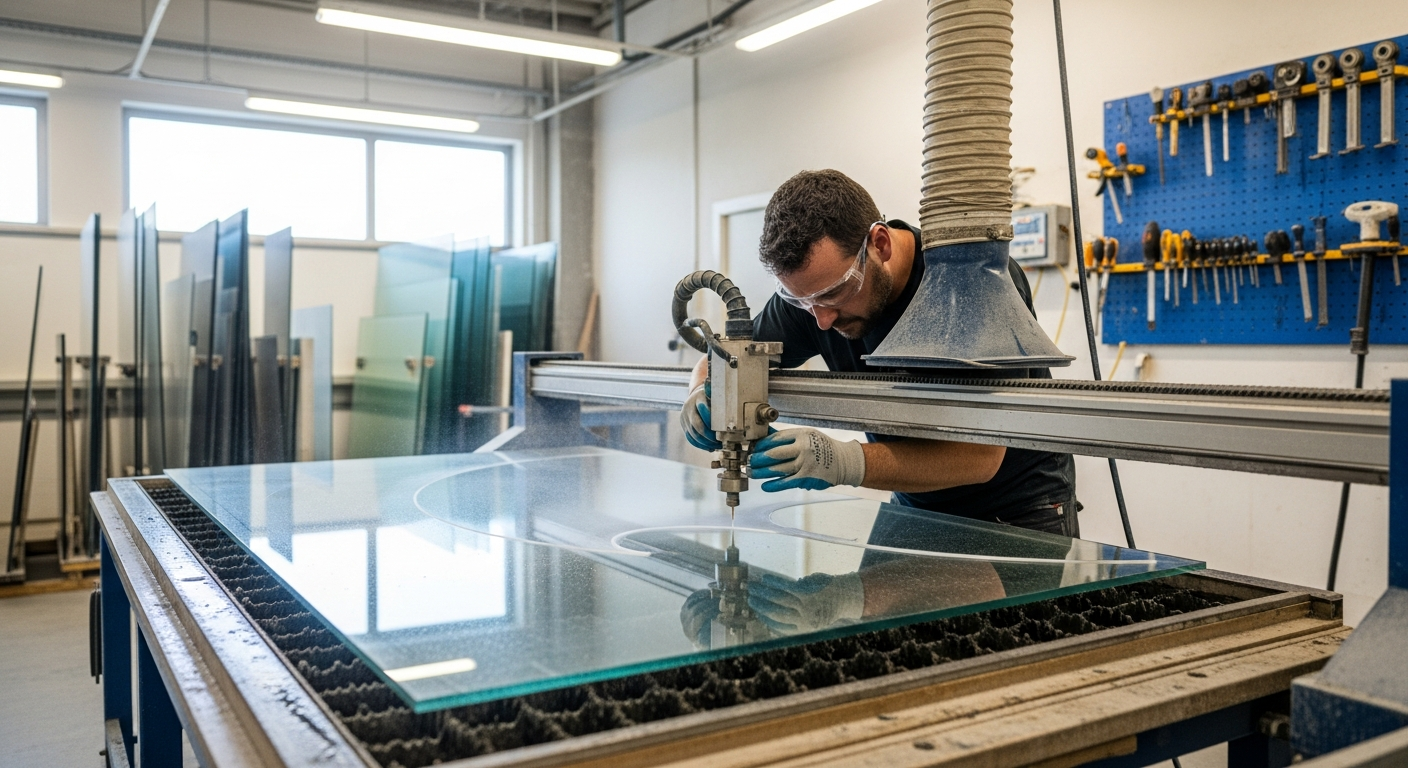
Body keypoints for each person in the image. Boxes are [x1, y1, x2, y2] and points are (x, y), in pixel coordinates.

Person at [680, 169, 1079, 537]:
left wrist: (841, 461)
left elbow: (979, 457)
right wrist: (700, 393)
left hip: (1015, 507)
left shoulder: (968, 281)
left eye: (834, 294)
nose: (821, 320)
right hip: (912, 499)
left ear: (880, 244)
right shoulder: (812, 296)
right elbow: (724, 359)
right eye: (802, 302)